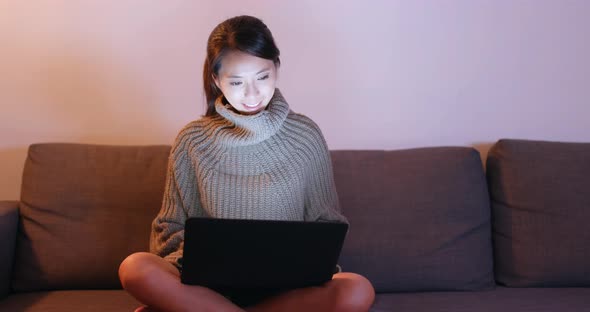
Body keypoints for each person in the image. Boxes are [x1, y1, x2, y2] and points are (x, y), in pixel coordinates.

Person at [118, 15, 375, 312]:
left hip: (287, 291)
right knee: (135, 268)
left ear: (276, 67)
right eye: (237, 82)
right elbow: (169, 226)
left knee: (357, 290)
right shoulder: (192, 140)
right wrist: (203, 259)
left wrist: (311, 261)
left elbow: (327, 223)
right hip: (207, 288)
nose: (252, 94)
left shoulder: (305, 135)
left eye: (262, 77)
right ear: (216, 80)